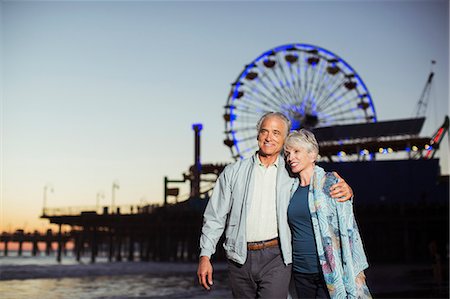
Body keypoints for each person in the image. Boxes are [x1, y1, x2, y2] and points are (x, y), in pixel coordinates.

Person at [197, 112, 354, 298]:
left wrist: (346, 189)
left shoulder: (292, 172)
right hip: (238, 257)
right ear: (258, 135)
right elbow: (215, 216)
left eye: (276, 132)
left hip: (277, 257)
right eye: (264, 131)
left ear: (285, 138)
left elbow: (316, 180)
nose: (269, 137)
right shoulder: (233, 172)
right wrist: (205, 256)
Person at [284, 129, 371, 298]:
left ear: (313, 155)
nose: (290, 158)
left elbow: (348, 226)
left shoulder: (331, 182)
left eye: (296, 151)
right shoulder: (289, 189)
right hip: (300, 271)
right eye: (287, 153)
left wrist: (354, 265)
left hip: (330, 268)